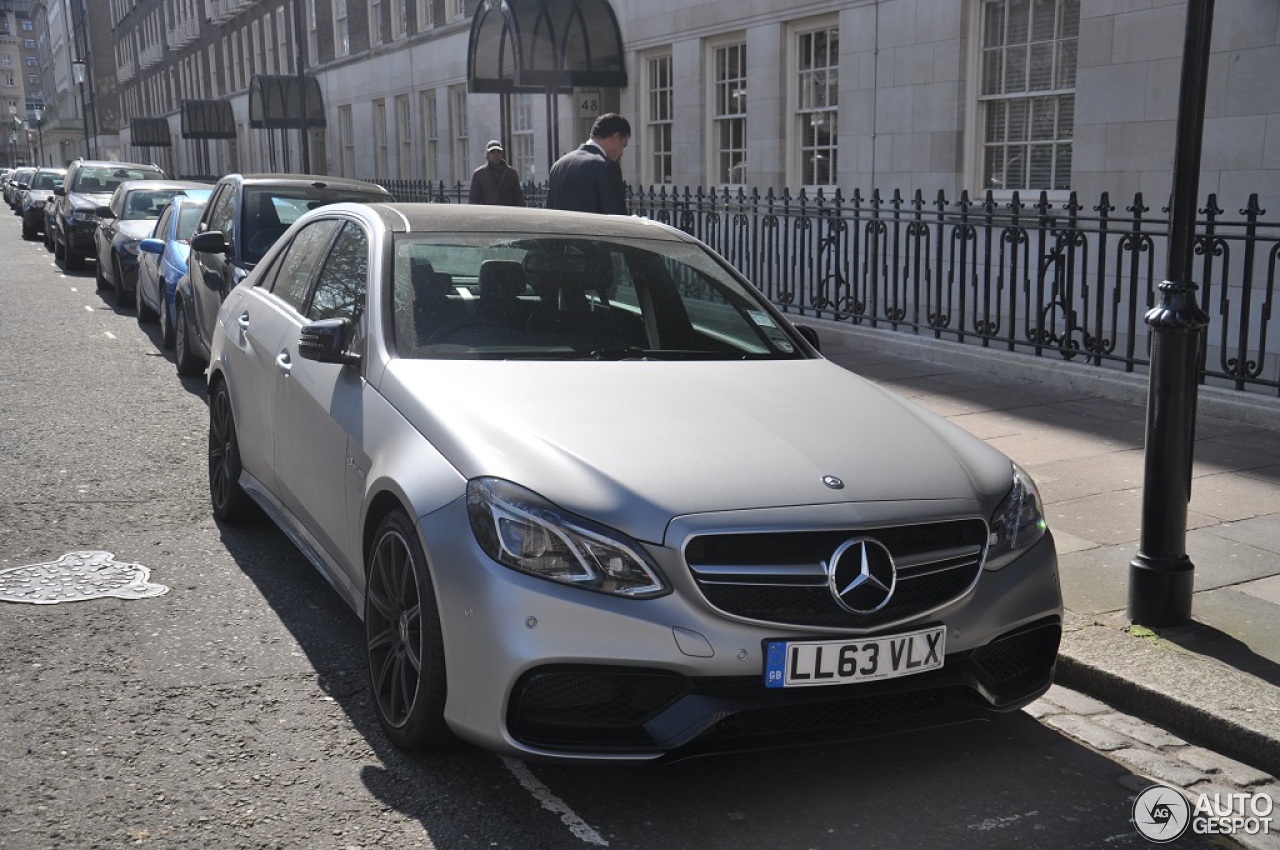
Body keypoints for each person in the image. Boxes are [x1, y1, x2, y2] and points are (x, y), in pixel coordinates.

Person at [545, 113, 631, 215]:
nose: (622, 153)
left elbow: (550, 213)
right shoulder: (607, 167)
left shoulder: (558, 166)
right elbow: (618, 219)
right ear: (616, 138)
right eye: (623, 145)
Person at [468, 140, 525, 207]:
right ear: (487, 155)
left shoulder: (511, 173)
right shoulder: (479, 174)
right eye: (492, 152)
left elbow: (519, 197)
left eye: (498, 152)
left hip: (507, 213)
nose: (496, 155)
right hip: (488, 214)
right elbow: (473, 199)